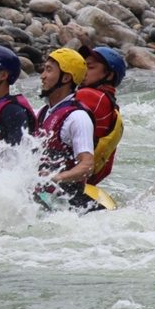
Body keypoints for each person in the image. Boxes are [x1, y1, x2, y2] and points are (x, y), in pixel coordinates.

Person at [33, 47, 100, 211]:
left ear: (66, 78)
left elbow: (87, 166)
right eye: (44, 70)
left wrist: (55, 178)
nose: (42, 76)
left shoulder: (78, 117)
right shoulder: (43, 112)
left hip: (66, 203)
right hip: (43, 196)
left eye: (49, 70)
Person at [73, 46, 126, 185]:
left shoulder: (90, 96)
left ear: (109, 75)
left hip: (69, 177)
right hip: (86, 181)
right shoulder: (109, 103)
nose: (83, 71)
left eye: (90, 67)